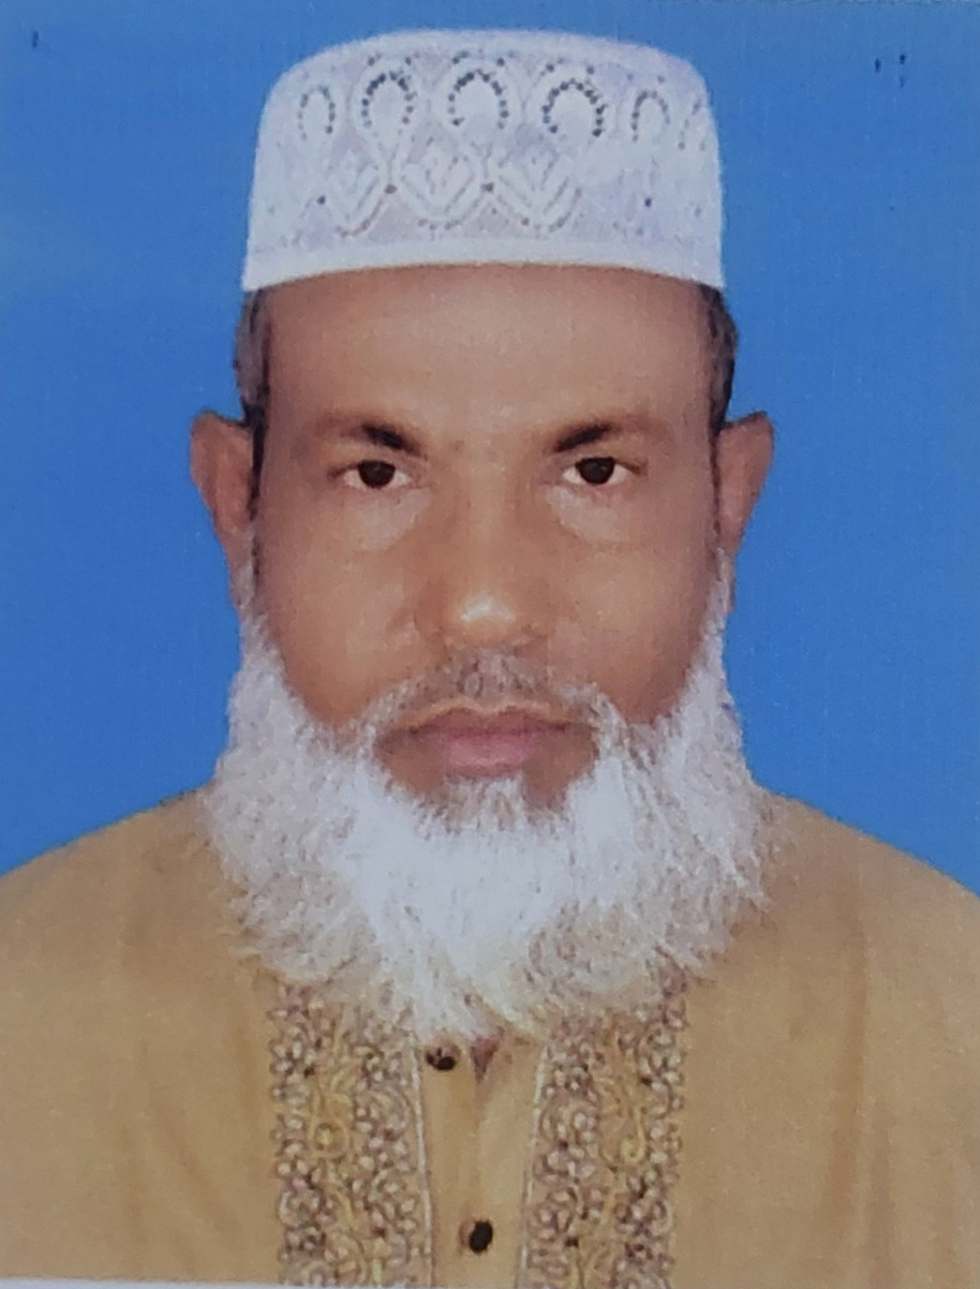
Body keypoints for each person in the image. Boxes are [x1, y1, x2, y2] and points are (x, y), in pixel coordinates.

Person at [1, 26, 977, 1289]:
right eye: (376, 472)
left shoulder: (947, 1014)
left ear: (726, 503)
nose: (481, 607)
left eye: (592, 471)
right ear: (236, 504)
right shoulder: (21, 1010)